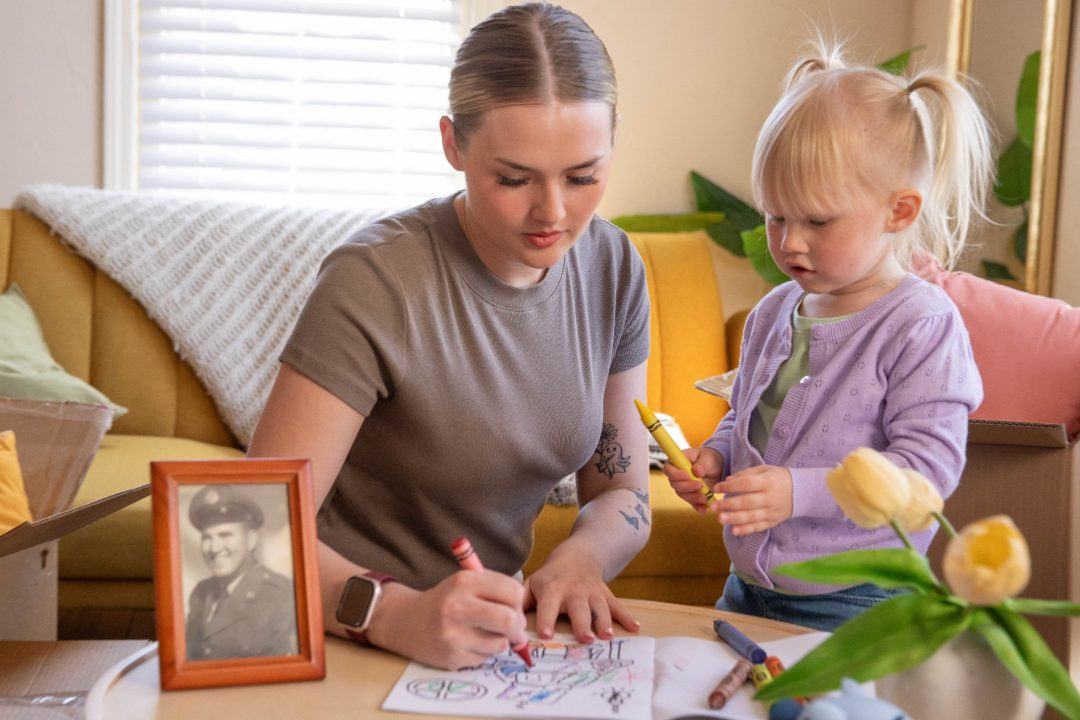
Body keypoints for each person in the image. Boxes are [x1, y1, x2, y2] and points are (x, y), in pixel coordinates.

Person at [247, 3, 651, 671]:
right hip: (335, 631)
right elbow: (255, 524)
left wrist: (583, 557)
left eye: (583, 176)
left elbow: (622, 490)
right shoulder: (374, 281)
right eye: (513, 178)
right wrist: (395, 614)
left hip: (484, 649)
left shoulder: (613, 268)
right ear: (452, 144)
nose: (552, 213)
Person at [663, 40, 993, 631]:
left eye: (817, 220)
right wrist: (716, 455)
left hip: (860, 599)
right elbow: (748, 414)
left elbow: (927, 475)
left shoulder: (921, 325)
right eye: (775, 215)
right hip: (748, 585)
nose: (789, 242)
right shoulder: (773, 311)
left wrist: (799, 492)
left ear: (900, 211)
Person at [185, 485, 298, 660]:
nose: (214, 548)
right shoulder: (200, 592)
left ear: (252, 539)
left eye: (225, 535)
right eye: (207, 537)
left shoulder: (281, 596)